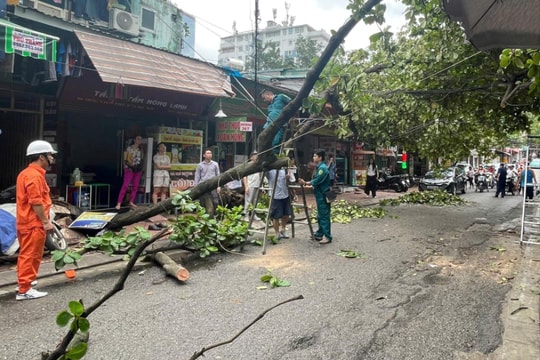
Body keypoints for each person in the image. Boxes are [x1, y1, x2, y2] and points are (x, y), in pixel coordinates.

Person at [15, 140, 57, 300]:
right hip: (33, 223)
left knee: (27, 254)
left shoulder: (25, 174)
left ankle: (25, 282)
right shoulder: (34, 177)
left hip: (25, 221)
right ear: (41, 157)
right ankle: (24, 289)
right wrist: (46, 222)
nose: (52, 158)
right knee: (31, 254)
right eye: (49, 155)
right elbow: (36, 202)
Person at [299, 149, 332, 244]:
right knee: (320, 215)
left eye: (315, 156)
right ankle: (319, 233)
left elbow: (317, 180)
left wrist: (305, 182)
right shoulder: (319, 167)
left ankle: (327, 236)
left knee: (324, 216)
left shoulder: (322, 168)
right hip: (319, 194)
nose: (313, 158)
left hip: (323, 195)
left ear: (320, 157)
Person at [115, 135, 144, 210]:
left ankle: (131, 201)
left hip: (137, 169)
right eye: (138, 139)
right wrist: (127, 166)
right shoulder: (129, 148)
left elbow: (141, 159)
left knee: (135, 186)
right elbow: (125, 159)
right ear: (134, 140)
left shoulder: (141, 149)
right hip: (129, 168)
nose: (139, 141)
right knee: (125, 185)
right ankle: (119, 202)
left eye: (140, 140)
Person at [260, 89, 291, 154]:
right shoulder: (269, 105)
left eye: (264, 98)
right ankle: (265, 152)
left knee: (276, 140)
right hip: (269, 122)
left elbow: (292, 103)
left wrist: (289, 116)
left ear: (268, 95)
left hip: (279, 123)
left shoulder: (281, 97)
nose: (264, 100)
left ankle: (274, 154)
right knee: (264, 137)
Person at [266, 168, 291, 240]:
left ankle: (283, 229)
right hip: (275, 195)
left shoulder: (284, 169)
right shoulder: (270, 171)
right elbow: (263, 171)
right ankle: (277, 233)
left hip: (285, 194)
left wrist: (288, 178)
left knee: (286, 214)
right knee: (275, 216)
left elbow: (290, 180)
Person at [194, 148, 221, 216]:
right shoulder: (200, 165)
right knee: (202, 202)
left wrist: (219, 186)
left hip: (213, 185)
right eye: (208, 153)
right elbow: (197, 177)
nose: (210, 155)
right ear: (204, 155)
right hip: (203, 185)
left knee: (215, 201)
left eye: (210, 153)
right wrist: (196, 188)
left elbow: (218, 175)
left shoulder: (215, 164)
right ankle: (203, 216)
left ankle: (216, 216)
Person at [242, 151, 261, 221]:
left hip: (257, 184)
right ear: (251, 157)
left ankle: (253, 214)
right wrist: (246, 186)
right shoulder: (248, 165)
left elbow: (260, 175)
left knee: (255, 201)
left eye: (257, 155)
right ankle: (246, 215)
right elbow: (244, 176)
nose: (256, 156)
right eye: (255, 155)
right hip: (250, 185)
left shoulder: (258, 165)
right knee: (248, 200)